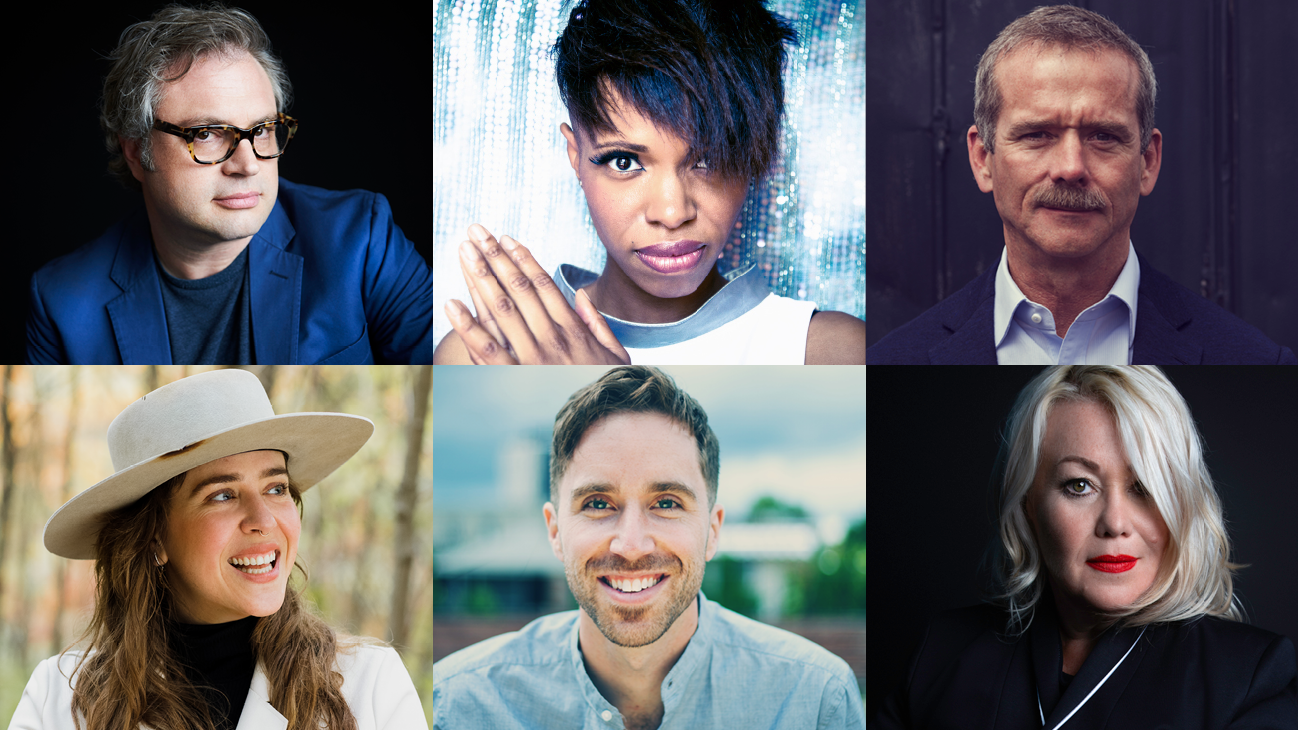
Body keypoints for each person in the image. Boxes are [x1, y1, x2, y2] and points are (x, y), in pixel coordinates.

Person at [433, 0, 865, 365]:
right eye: (624, 161)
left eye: (709, 159)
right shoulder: (483, 355)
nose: (673, 212)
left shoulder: (827, 353)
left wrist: (613, 395)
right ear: (575, 157)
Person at [433, 366, 866, 729]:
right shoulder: (456, 704)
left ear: (713, 531)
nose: (632, 545)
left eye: (667, 503)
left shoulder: (814, 701)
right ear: (554, 531)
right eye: (598, 503)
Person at [873, 366, 1297, 729]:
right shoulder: (943, 650)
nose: (1114, 523)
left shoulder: (1250, 676)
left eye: (1143, 486)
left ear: (1181, 503)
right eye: (1079, 485)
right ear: (1029, 506)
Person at [867, 6, 1295, 365]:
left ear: (1147, 161)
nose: (1071, 167)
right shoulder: (891, 362)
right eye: (1037, 134)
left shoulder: (1256, 362)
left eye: (1103, 136)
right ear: (983, 159)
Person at [9, 369, 426, 730]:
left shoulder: (370, 684)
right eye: (223, 495)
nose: (263, 519)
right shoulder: (59, 700)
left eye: (277, 488)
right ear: (154, 538)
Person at [26, 3, 434, 365]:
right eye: (205, 133)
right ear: (135, 151)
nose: (248, 163)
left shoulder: (360, 239)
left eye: (262, 129)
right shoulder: (63, 303)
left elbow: (453, 370)